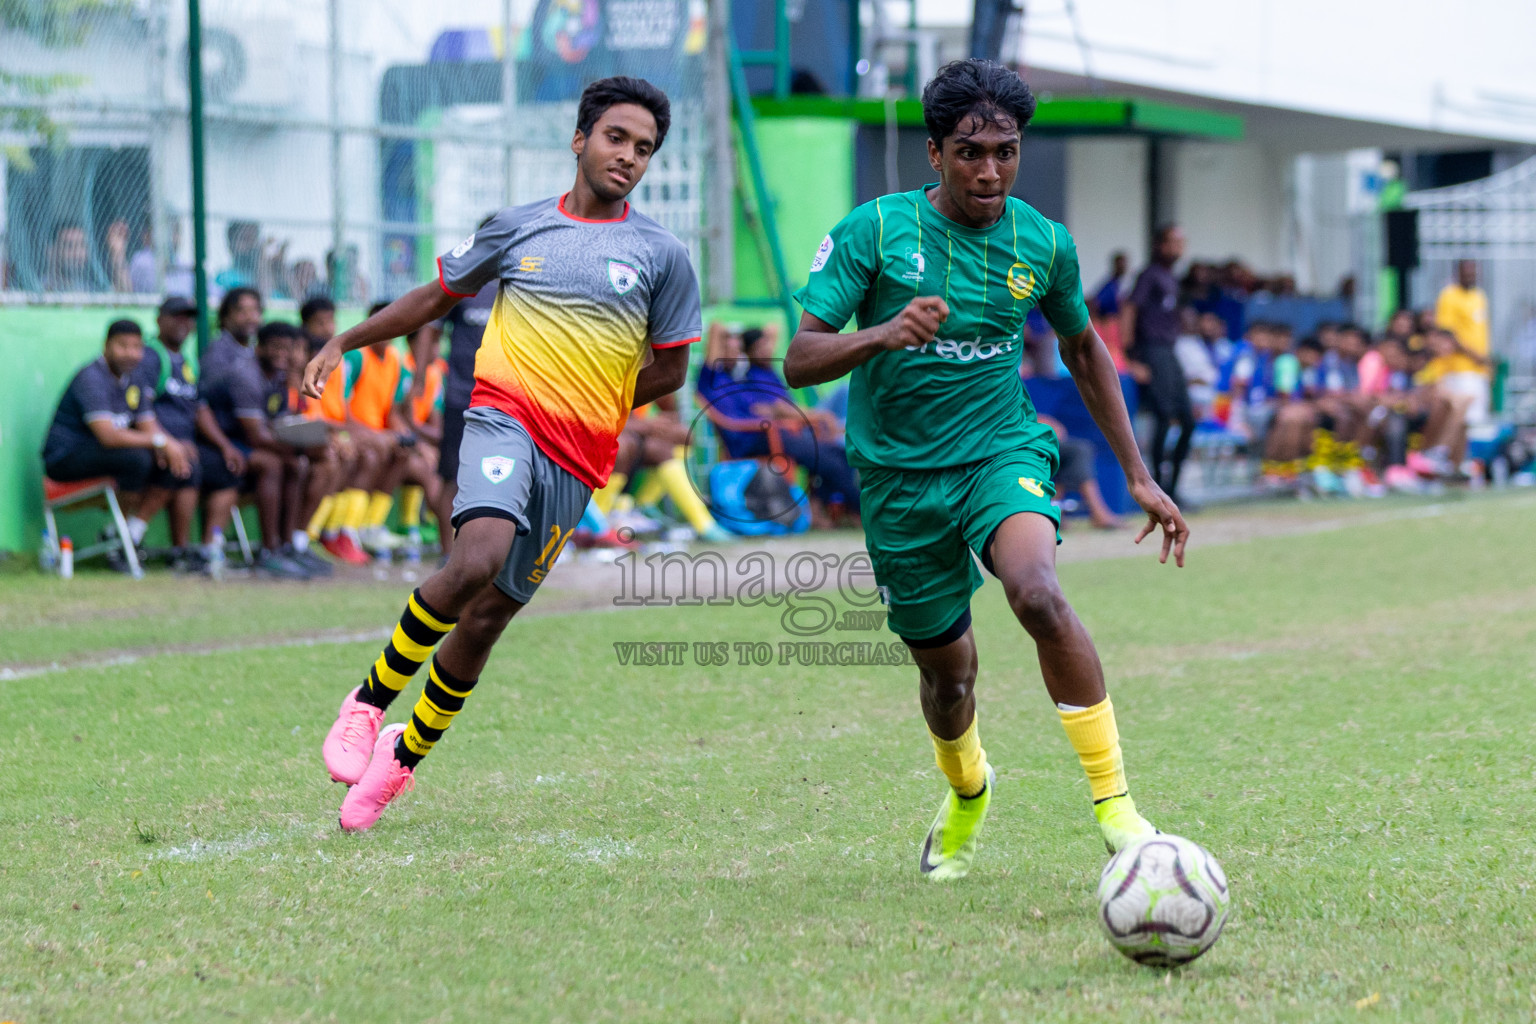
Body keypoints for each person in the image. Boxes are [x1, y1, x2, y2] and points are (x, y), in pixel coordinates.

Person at [784, 59, 1187, 878]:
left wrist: (1138, 475)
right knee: (949, 680)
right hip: (899, 481)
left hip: (1001, 450)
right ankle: (969, 789)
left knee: (1036, 590)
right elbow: (800, 359)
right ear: (935, 155)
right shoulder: (876, 231)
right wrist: (881, 334)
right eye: (970, 151)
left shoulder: (1043, 241)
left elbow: (1083, 348)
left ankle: (1118, 811)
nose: (990, 169)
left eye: (1005, 150)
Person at [303, 76, 701, 831]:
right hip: (503, 416)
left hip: (579, 458)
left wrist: (600, 402)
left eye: (645, 149)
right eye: (617, 138)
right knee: (476, 556)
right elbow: (435, 296)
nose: (629, 157)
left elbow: (674, 368)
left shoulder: (662, 254)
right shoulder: (516, 227)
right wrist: (347, 338)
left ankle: (401, 761)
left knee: (487, 620)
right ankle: (366, 704)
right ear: (580, 139)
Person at [42, 319, 195, 554]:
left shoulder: (135, 378)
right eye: (123, 346)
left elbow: (147, 424)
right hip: (65, 457)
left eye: (136, 347)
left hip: (105, 455)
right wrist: (161, 442)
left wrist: (171, 446)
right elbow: (108, 436)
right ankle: (119, 538)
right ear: (106, 346)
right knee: (138, 459)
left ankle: (127, 533)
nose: (131, 354)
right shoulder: (91, 377)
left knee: (173, 461)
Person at [696, 322, 860, 523]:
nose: (735, 351)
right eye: (729, 346)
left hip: (770, 432)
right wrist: (735, 332)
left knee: (834, 452)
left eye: (738, 348)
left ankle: (843, 509)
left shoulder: (737, 378)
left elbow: (773, 331)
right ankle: (860, 510)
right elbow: (716, 328)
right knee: (827, 456)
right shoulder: (710, 376)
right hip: (750, 439)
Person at [133, 296, 245, 571]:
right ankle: (175, 548)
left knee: (228, 468)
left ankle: (208, 549)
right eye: (176, 316)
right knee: (185, 467)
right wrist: (169, 443)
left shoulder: (188, 362)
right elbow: (141, 410)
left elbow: (200, 410)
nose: (183, 322)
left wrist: (224, 445)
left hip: (186, 444)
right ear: (159, 320)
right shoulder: (151, 356)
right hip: (156, 443)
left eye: (188, 317)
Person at [411, 279, 498, 560]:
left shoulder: (515, 285)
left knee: (498, 475)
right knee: (452, 476)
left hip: (504, 399)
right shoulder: (464, 283)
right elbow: (430, 329)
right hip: (461, 397)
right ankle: (448, 553)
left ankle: (487, 551)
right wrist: (420, 375)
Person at [1122, 225, 1196, 503]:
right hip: (1151, 351)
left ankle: (1174, 488)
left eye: (1182, 242)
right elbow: (1129, 310)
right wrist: (1131, 357)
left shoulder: (1171, 279)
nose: (1179, 248)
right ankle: (1159, 489)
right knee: (1163, 418)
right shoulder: (1149, 276)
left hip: (1170, 351)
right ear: (1160, 245)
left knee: (1188, 420)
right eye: (1174, 242)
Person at [1432, 260, 1493, 425]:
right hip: (1459, 368)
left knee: (1477, 419)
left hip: (1478, 369)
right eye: (1466, 272)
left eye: (1473, 272)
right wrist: (1474, 356)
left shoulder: (1478, 296)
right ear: (1457, 273)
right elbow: (1447, 334)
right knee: (1463, 420)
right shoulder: (1449, 296)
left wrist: (1484, 362)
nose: (1471, 275)